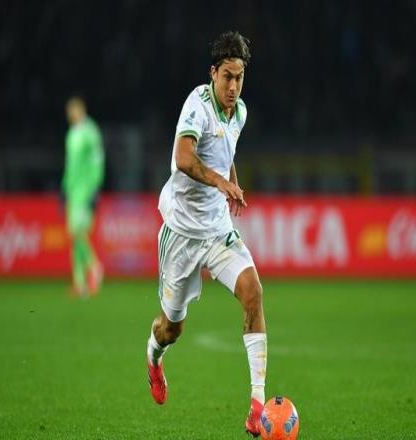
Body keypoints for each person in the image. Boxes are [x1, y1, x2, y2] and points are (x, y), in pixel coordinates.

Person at [146, 31, 267, 436]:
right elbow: (183, 158)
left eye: (240, 78)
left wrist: (233, 181)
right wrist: (221, 182)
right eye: (227, 77)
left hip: (217, 229)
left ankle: (257, 407)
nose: (233, 86)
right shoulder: (196, 105)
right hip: (181, 233)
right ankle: (153, 357)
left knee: (253, 292)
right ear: (213, 73)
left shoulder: (240, 112)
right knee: (171, 329)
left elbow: (225, 151)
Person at [62, 96, 105, 296]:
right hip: (72, 192)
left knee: (78, 233)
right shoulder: (72, 133)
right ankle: (79, 284)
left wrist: (95, 188)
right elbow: (70, 164)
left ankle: (95, 266)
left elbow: (97, 161)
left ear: (81, 110)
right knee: (74, 237)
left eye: (73, 110)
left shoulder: (90, 131)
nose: (70, 114)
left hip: (86, 190)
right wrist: (64, 188)